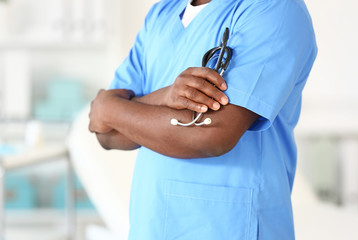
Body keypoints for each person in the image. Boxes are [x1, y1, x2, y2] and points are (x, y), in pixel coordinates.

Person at [88, 0, 317, 239]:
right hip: (153, 226)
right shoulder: (162, 13)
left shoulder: (274, 9)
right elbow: (106, 133)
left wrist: (110, 109)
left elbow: (211, 135)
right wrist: (166, 96)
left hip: (229, 227)